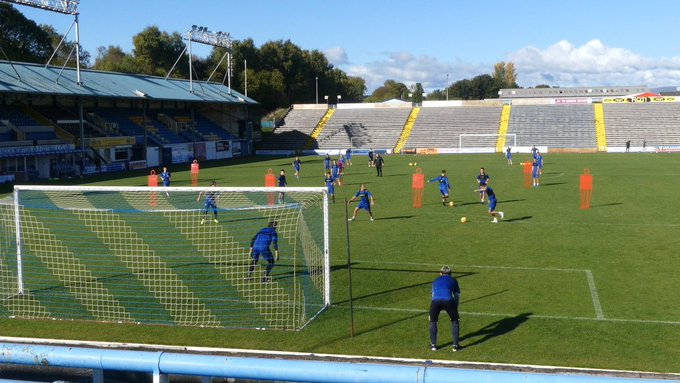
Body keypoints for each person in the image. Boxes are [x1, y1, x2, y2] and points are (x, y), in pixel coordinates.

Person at [429, 265, 460, 352]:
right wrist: (455, 307)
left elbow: (433, 294)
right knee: (455, 321)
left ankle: (433, 345)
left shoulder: (435, 280)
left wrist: (433, 309)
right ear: (450, 274)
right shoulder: (454, 280)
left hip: (435, 301)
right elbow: (456, 295)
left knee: (432, 321)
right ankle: (455, 346)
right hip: (449, 301)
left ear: (440, 273)